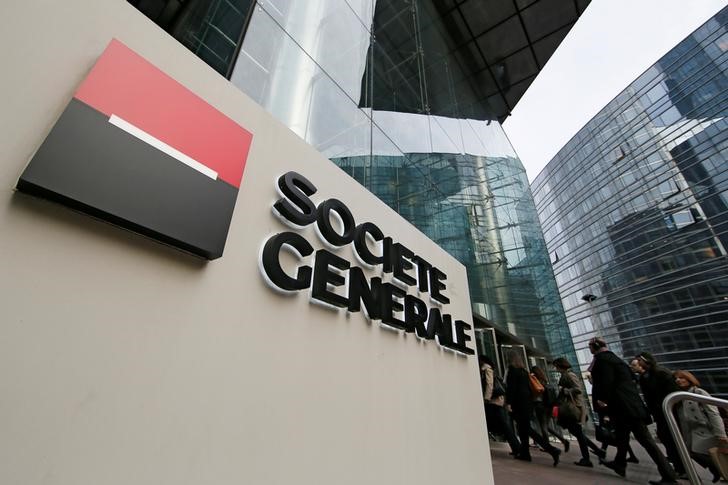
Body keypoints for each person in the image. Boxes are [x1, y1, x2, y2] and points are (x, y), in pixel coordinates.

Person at [588, 337, 678, 484]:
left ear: (595, 346)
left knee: (647, 441)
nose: (589, 349)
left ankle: (669, 475)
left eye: (590, 346)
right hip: (628, 406)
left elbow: (606, 382)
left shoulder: (603, 360)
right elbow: (631, 379)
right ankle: (620, 463)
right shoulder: (616, 359)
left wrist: (603, 400)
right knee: (622, 437)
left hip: (624, 408)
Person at [505, 351, 561, 466]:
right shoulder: (524, 372)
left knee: (526, 429)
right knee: (523, 430)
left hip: (518, 404)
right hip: (527, 404)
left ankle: (552, 450)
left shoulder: (512, 370)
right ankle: (525, 454)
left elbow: (511, 389)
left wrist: (509, 403)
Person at [635, 352, 686, 476]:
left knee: (672, 440)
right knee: (666, 439)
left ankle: (683, 468)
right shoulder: (645, 376)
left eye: (639, 361)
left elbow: (673, 392)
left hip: (668, 412)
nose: (638, 364)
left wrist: (664, 407)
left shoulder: (660, 372)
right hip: (660, 413)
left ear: (646, 360)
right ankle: (679, 467)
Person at [674, 370, 728, 483]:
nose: (678, 380)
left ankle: (718, 470)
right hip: (693, 432)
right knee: (691, 453)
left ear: (689, 379)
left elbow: (713, 413)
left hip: (706, 431)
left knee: (702, 453)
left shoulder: (698, 392)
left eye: (681, 377)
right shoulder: (680, 395)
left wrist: (721, 434)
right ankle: (717, 470)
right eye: (676, 378)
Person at [552, 357, 593, 467]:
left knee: (578, 433)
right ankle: (596, 452)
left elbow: (578, 389)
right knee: (577, 433)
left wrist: (566, 391)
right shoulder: (565, 375)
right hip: (570, 407)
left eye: (556, 366)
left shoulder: (570, 375)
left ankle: (587, 458)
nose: (555, 368)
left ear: (560, 366)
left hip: (574, 407)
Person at [480, 355, 520, 454]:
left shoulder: (487, 369)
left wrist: (486, 398)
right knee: (503, 425)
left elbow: (489, 384)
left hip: (494, 401)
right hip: (495, 401)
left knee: (504, 426)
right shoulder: (488, 369)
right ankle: (516, 448)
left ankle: (517, 448)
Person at [531, 366, 569, 453]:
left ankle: (547, 446)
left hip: (541, 405)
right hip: (548, 406)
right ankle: (562, 440)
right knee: (546, 426)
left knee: (543, 426)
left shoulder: (536, 381)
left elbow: (536, 393)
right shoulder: (544, 380)